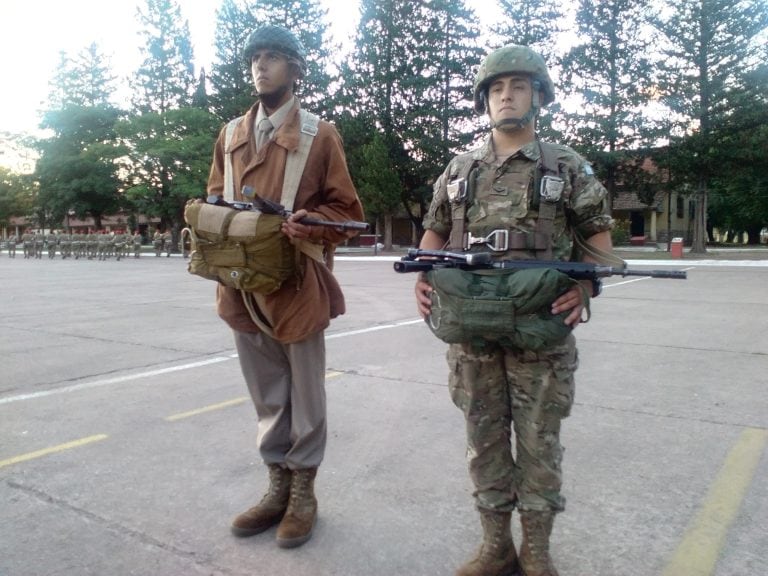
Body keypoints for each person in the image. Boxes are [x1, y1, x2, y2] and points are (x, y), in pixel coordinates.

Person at [414, 45, 614, 576]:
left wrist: (588, 288)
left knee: (539, 444)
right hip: (471, 331)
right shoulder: (459, 169)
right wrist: (424, 277)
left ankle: (538, 552)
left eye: (519, 86)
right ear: (486, 100)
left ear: (539, 96)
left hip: (539, 327)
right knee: (483, 443)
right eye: (497, 88)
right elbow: (433, 234)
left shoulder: (565, 166)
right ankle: (496, 546)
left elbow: (599, 241)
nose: (507, 96)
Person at [206, 25, 364, 549]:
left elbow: (347, 213)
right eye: (255, 57)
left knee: (306, 396)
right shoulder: (230, 135)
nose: (261, 66)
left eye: (273, 57)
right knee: (267, 396)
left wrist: (310, 222)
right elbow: (213, 199)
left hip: (296, 284)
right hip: (241, 284)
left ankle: (304, 494)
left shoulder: (321, 135)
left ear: (295, 68)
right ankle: (276, 486)